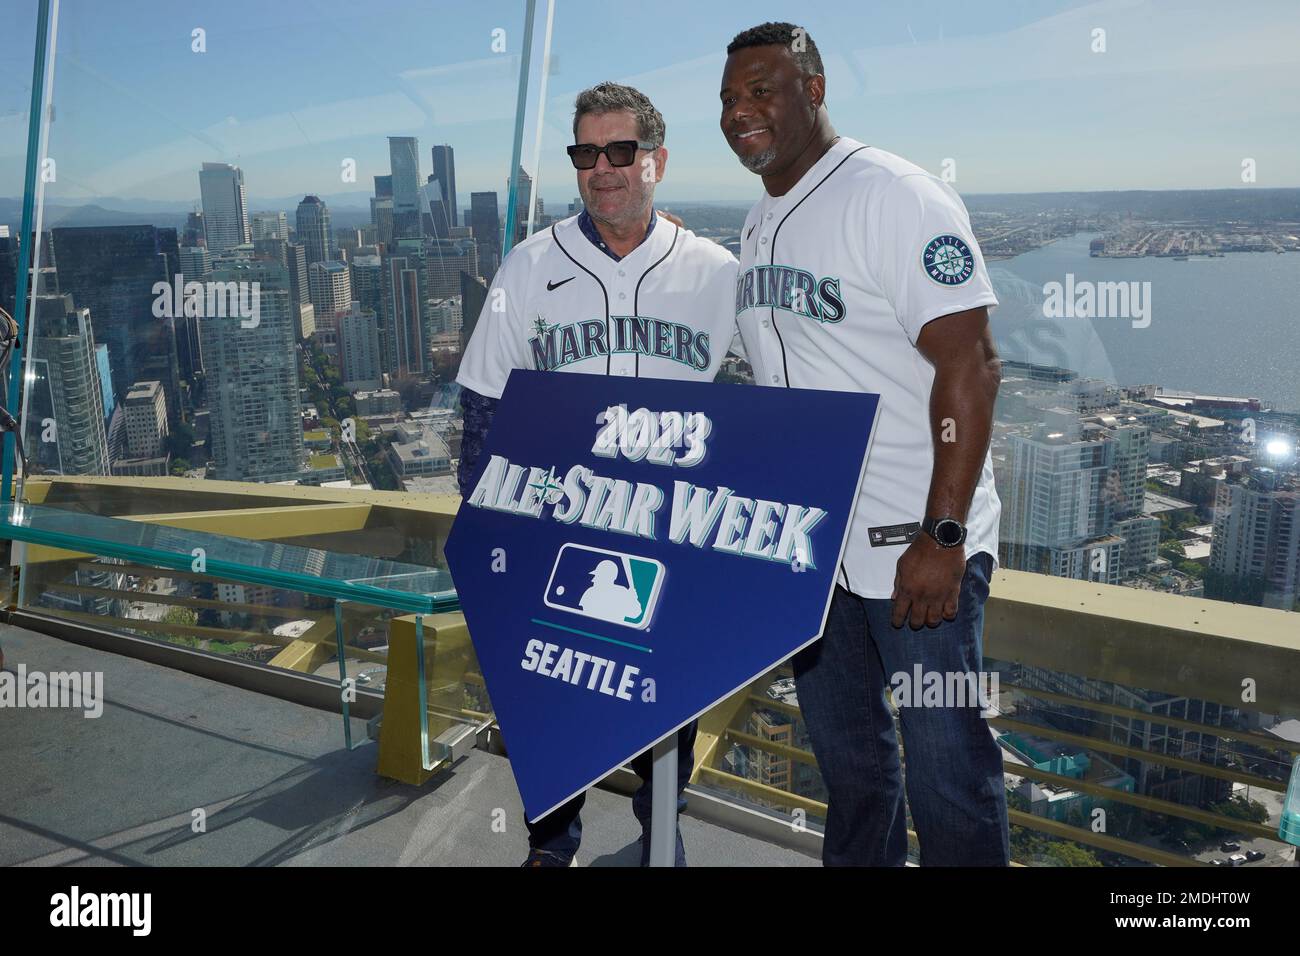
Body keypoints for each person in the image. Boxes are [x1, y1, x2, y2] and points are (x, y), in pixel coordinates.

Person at [720, 22, 1010, 866]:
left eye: (762, 89)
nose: (742, 112)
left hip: (917, 551)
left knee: (950, 774)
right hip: (816, 558)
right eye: (731, 99)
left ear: (813, 90)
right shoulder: (757, 219)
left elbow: (973, 366)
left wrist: (944, 535)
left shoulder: (895, 193)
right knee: (853, 772)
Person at [456, 82, 739, 867]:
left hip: (671, 531)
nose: (603, 167)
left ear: (658, 161)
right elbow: (482, 410)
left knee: (668, 697)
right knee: (549, 695)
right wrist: (490, 540)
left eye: (622, 151)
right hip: (552, 523)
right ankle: (552, 845)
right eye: (587, 153)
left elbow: (755, 413)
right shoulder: (530, 263)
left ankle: (661, 832)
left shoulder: (717, 273)